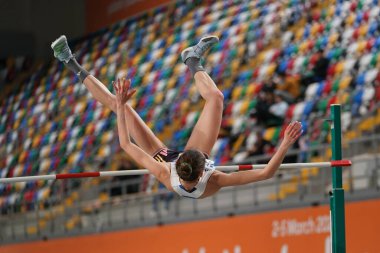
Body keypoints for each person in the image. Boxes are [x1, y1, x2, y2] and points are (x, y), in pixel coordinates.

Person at [51, 35, 303, 199]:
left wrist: (121, 103)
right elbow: (266, 173)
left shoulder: (164, 172)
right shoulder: (214, 179)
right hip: (183, 164)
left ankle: (69, 61)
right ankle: (192, 59)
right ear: (204, 162)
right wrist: (284, 144)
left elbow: (125, 144)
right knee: (216, 98)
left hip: (162, 157)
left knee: (120, 108)